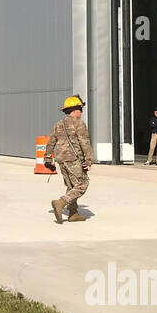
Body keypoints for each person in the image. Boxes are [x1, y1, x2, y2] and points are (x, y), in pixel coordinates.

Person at [44, 95, 93, 224]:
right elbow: (85, 143)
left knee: (71, 186)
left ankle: (73, 213)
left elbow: (50, 143)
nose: (81, 112)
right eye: (80, 109)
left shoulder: (59, 124)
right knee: (82, 184)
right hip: (74, 159)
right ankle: (60, 203)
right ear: (75, 109)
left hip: (61, 159)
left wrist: (48, 159)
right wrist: (88, 161)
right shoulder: (79, 123)